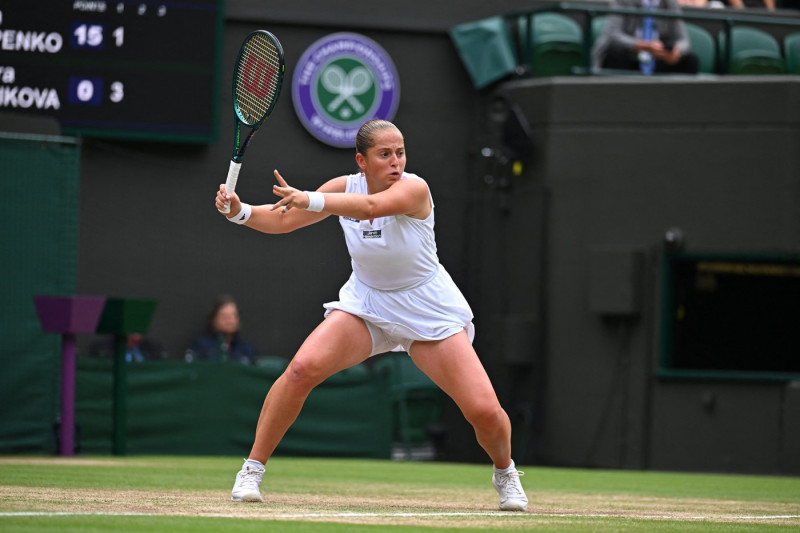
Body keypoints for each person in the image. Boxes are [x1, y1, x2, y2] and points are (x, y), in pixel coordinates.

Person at [214, 119, 528, 512]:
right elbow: (282, 219)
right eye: (385, 154)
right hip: (367, 304)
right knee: (299, 371)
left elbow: (370, 208)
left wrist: (309, 198)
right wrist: (240, 212)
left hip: (427, 308)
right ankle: (252, 469)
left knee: (483, 411)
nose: (396, 161)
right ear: (362, 160)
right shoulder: (342, 187)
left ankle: (505, 471)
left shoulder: (414, 189)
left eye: (400, 152)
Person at [592, 0, 700, 74]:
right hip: (630, 54)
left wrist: (676, 52)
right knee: (614, 54)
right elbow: (613, 35)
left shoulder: (670, 3)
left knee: (690, 60)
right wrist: (640, 45)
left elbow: (684, 40)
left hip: (659, 57)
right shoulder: (622, 1)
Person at [185, 295, 258, 365]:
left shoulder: (247, 350)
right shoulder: (200, 347)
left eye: (233, 316)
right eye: (224, 316)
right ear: (214, 319)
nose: (230, 321)